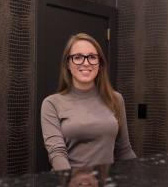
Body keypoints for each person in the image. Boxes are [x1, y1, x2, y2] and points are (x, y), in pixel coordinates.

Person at [41, 33, 136, 171]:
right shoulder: (51, 103)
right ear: (68, 63)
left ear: (100, 64)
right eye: (78, 57)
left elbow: (124, 150)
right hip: (69, 185)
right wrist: (73, 186)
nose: (86, 63)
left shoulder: (116, 99)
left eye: (92, 57)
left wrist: (139, 179)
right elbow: (57, 154)